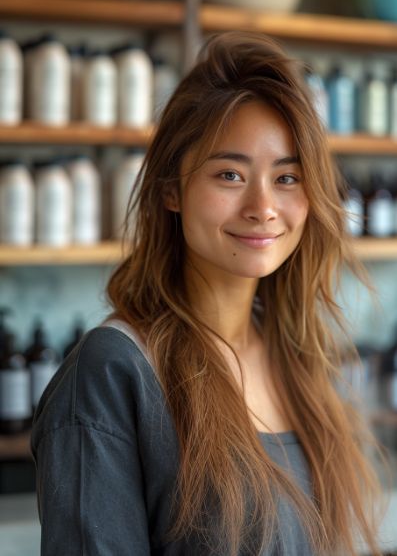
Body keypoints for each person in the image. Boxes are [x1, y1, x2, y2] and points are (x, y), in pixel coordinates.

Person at [31, 32, 383, 556]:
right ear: (171, 188)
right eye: (230, 174)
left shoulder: (293, 355)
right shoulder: (112, 375)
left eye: (287, 178)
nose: (262, 206)